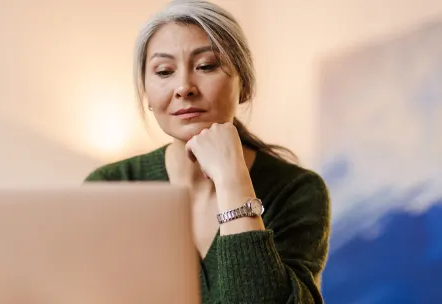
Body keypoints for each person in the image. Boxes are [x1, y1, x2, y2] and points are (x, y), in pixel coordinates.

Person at [84, 0, 331, 303]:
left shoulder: (297, 191)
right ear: (146, 92)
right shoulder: (111, 186)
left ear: (244, 85)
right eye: (164, 71)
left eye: (206, 66)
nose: (184, 87)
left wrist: (232, 181)